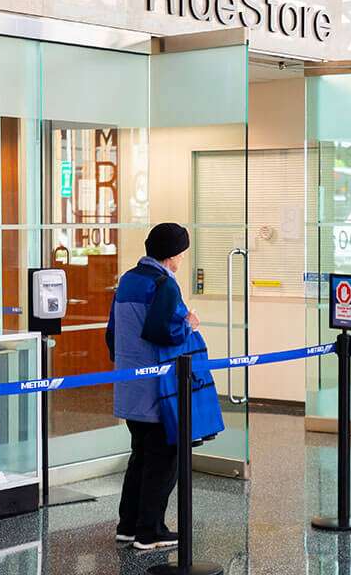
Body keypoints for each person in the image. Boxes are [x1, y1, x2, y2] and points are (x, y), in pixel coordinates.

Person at [105, 222, 201, 550]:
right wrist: (189, 325)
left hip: (129, 385)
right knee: (164, 458)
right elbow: (163, 332)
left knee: (140, 456)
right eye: (182, 253)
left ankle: (128, 526)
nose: (182, 259)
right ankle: (150, 531)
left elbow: (112, 334)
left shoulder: (129, 279)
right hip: (157, 390)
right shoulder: (165, 284)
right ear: (173, 255)